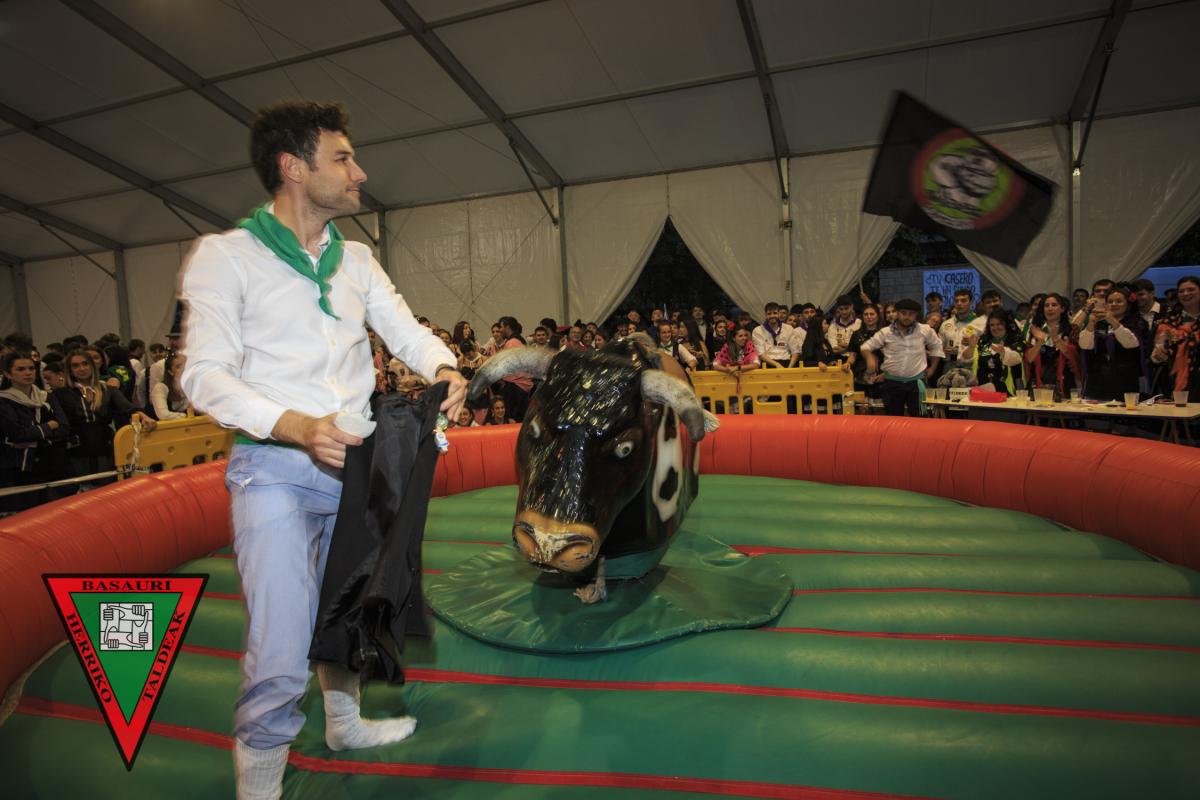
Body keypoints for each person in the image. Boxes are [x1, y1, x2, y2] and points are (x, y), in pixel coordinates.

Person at [178, 101, 467, 800]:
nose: (359, 172)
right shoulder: (226, 256)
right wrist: (294, 425)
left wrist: (445, 367)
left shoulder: (356, 259)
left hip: (357, 469)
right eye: (342, 158)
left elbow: (405, 329)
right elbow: (203, 375)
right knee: (280, 645)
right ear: (293, 167)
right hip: (272, 471)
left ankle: (344, 724)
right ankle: (259, 789)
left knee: (348, 616)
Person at [57, 349, 155, 482]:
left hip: (104, 448)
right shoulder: (61, 394)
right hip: (76, 452)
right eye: (76, 365)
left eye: (85, 364)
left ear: (92, 366)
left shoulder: (107, 389)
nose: (82, 368)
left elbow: (128, 407)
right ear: (70, 370)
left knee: (108, 486)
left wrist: (145, 417)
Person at [0, 352, 73, 513]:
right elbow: (17, 434)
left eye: (31, 368)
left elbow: (64, 428)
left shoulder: (46, 396)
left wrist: (34, 435)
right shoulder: (4, 401)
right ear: (8, 374)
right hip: (22, 468)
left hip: (54, 464)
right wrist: (49, 426)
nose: (28, 373)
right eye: (20, 369)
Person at [860, 299, 944, 417]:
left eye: (911, 314)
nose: (907, 317)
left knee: (920, 420)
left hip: (916, 383)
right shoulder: (886, 332)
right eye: (904, 313)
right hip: (892, 383)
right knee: (893, 420)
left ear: (916, 315)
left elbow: (937, 347)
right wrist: (869, 358)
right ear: (897, 313)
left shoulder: (924, 330)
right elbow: (866, 347)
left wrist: (932, 369)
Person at [1078, 284, 1146, 401]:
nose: (1114, 304)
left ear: (1128, 304)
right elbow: (1085, 345)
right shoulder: (1100, 323)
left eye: (1119, 301)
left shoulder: (1137, 322)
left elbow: (1131, 343)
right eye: (1110, 302)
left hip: (1125, 381)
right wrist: (1091, 323)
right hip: (1097, 381)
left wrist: (1112, 320)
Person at [1150, 275, 1200, 402]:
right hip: (1175, 381)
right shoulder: (1168, 321)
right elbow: (1157, 352)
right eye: (1181, 291)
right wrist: (1158, 355)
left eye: (1191, 289)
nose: (1186, 293)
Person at [1025, 293, 1080, 398]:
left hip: (1064, 382)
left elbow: (1074, 357)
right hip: (1039, 382)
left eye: (1054, 305)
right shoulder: (1036, 329)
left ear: (1062, 309)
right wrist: (1040, 342)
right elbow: (1029, 359)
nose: (1050, 309)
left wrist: (1056, 339)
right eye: (1047, 305)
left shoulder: (1071, 329)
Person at [971, 311, 1025, 395]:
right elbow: (973, 360)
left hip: (1008, 392)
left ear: (1006, 325)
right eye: (992, 325)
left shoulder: (1015, 339)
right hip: (982, 389)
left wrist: (1004, 352)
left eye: (999, 324)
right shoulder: (984, 341)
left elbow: (1017, 359)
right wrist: (970, 347)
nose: (995, 328)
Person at [848, 304, 884, 410]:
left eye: (872, 314)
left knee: (879, 410)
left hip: (881, 376)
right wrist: (848, 363)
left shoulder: (885, 333)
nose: (869, 317)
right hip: (861, 376)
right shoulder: (856, 334)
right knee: (862, 409)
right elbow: (853, 354)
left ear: (878, 316)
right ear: (862, 317)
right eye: (866, 314)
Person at [151, 351, 191, 420]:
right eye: (178, 367)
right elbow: (163, 415)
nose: (184, 369)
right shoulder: (161, 387)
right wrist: (187, 416)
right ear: (170, 372)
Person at [752, 302, 793, 368]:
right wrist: (777, 364)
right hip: (767, 364)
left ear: (779, 314)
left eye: (775, 313)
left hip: (786, 362)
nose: (772, 316)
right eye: (769, 314)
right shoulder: (757, 330)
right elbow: (761, 354)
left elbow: (795, 351)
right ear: (765, 315)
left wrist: (789, 368)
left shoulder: (789, 328)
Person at [826, 295, 861, 362]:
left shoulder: (859, 323)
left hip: (857, 359)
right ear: (838, 309)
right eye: (841, 309)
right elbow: (835, 349)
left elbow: (860, 346)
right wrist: (850, 347)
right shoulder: (833, 326)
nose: (844, 312)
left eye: (846, 308)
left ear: (851, 306)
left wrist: (846, 348)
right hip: (838, 359)